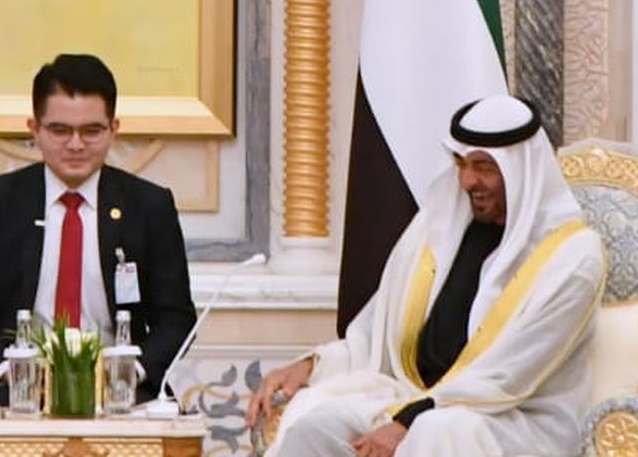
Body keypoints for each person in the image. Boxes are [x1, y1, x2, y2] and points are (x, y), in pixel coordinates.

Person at [246, 95, 604, 457]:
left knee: (435, 433)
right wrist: (311, 365)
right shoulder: (438, 229)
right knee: (316, 426)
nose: (466, 181)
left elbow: (508, 376)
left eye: (484, 167)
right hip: (411, 398)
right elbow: (374, 338)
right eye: (461, 163)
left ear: (521, 171)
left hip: (514, 421)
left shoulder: (572, 257)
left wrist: (407, 422)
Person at [0, 53, 196, 408]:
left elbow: (177, 317)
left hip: (122, 395)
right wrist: (10, 370)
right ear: (34, 129)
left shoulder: (149, 206)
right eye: (60, 130)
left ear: (114, 129)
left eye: (91, 131)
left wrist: (129, 372)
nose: (76, 144)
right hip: (10, 391)